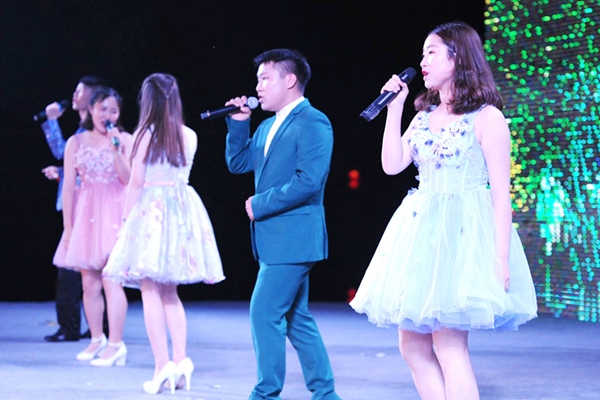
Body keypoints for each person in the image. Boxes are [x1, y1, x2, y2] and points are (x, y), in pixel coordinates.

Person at [349, 21, 538, 400]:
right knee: (411, 345)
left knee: (449, 345)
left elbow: (501, 195)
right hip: (421, 232)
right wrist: (394, 109)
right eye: (423, 54)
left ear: (458, 58)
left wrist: (500, 258)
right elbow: (392, 165)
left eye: (432, 53)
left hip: (462, 233)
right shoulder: (423, 116)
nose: (423, 62)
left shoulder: (487, 117)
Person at [225, 49, 342, 400]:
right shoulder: (266, 125)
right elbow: (238, 162)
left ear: (290, 80)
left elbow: (310, 180)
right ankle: (325, 393)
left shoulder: (313, 121)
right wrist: (239, 123)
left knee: (264, 313)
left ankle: (265, 394)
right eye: (258, 80)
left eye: (265, 78)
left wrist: (260, 204)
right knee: (295, 318)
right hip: (274, 238)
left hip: (295, 235)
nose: (258, 87)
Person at [102, 73, 224, 394]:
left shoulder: (145, 134)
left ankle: (162, 365)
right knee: (170, 292)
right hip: (182, 211)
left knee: (149, 289)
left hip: (152, 211)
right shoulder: (189, 135)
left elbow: (136, 182)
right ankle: (181, 360)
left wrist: (126, 222)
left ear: (148, 101)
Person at [53, 87, 133, 366]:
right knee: (89, 283)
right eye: (102, 109)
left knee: (112, 281)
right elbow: (68, 187)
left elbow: (128, 179)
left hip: (114, 213)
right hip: (86, 214)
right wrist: (68, 226)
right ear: (92, 110)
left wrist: (116, 150)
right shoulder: (75, 142)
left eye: (113, 110)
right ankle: (96, 339)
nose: (107, 115)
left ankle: (117, 344)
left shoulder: (124, 139)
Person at [40, 75, 105, 342]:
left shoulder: (98, 130)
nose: (74, 95)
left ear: (92, 98)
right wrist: (50, 121)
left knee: (78, 268)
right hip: (79, 204)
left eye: (80, 91)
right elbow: (66, 156)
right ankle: (86, 326)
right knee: (79, 268)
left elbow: (94, 167)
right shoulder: (81, 131)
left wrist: (64, 173)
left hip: (89, 205)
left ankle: (79, 327)